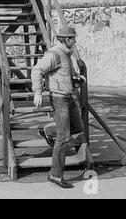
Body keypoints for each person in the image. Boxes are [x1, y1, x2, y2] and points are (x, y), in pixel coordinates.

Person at [31, 26, 93, 189]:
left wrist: (77, 78)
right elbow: (37, 70)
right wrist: (38, 92)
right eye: (73, 38)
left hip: (70, 96)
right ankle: (55, 175)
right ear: (66, 39)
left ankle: (48, 131)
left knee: (78, 128)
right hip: (59, 99)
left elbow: (65, 75)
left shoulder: (67, 54)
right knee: (64, 137)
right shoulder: (54, 54)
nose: (75, 40)